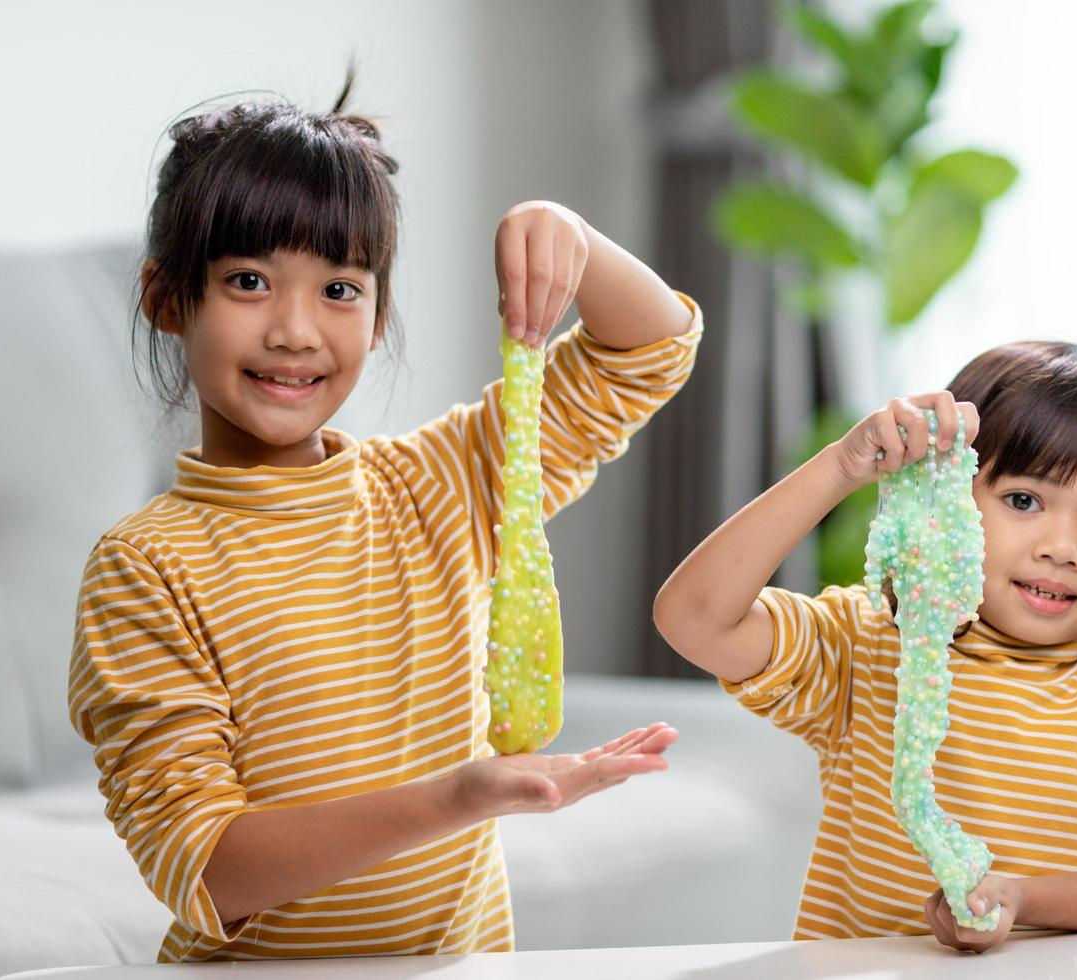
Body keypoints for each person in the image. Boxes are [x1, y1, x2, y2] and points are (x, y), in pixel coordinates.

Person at [68, 70, 699, 962]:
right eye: (250, 281)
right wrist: (460, 796)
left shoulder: (445, 483)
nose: (295, 330)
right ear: (168, 299)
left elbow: (653, 349)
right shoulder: (145, 567)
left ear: (377, 311)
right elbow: (205, 868)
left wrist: (577, 241)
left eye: (339, 289)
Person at [654, 341, 1077, 953]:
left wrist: (1022, 899)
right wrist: (840, 468)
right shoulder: (867, 644)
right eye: (1023, 501)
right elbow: (694, 619)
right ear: (948, 498)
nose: (1063, 547)